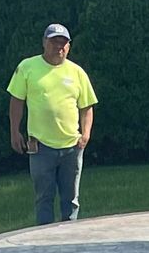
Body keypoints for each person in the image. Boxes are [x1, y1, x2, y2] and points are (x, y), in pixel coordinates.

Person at [6, 24, 97, 225]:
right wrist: (15, 131)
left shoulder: (77, 72)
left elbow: (87, 106)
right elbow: (16, 101)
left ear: (69, 47)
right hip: (40, 147)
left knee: (71, 199)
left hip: (72, 146)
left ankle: (68, 237)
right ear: (44, 43)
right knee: (44, 197)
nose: (59, 47)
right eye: (54, 42)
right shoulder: (27, 67)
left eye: (63, 43)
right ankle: (44, 241)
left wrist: (86, 133)